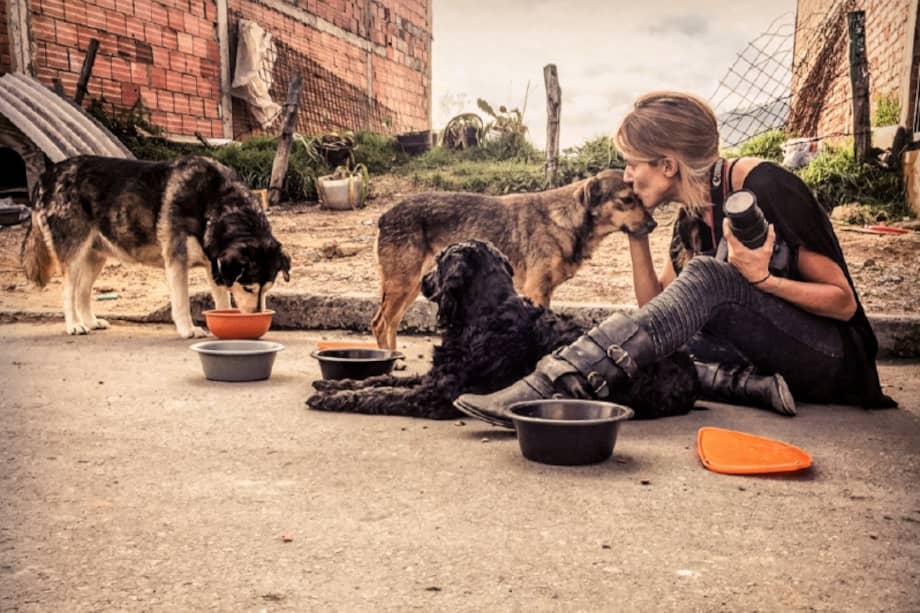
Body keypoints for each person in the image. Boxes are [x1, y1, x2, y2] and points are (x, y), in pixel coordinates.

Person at [454, 91, 896, 425]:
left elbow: (844, 303)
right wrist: (636, 234)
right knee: (640, 340)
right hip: (759, 358)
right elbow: (656, 312)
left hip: (833, 362)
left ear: (667, 165)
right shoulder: (691, 214)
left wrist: (763, 281)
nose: (626, 175)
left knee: (708, 275)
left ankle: (551, 383)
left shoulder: (765, 187)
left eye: (632, 164)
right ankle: (742, 386)